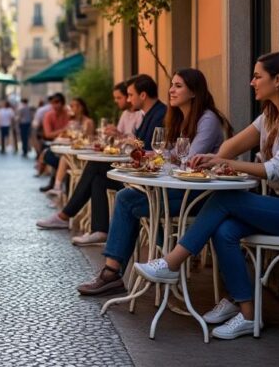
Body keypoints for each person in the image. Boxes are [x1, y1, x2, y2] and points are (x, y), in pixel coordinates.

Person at [134, 53, 279, 340]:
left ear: (278, 79)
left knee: (225, 201)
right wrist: (211, 158)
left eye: (258, 76)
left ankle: (172, 263)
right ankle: (248, 313)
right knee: (224, 230)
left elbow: (275, 170)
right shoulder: (270, 116)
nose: (251, 82)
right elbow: (231, 147)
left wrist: (227, 165)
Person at [77, 68, 230, 294]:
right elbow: (171, 155)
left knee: (126, 199)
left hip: (200, 197)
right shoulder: (179, 117)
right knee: (126, 196)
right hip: (179, 190)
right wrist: (154, 156)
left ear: (194, 92)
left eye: (178, 86)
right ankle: (117, 269)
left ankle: (117, 272)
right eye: (172, 84)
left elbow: (190, 161)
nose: (171, 90)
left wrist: (160, 157)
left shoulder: (207, 119)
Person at [37, 75, 166, 240]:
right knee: (98, 178)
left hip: (146, 179)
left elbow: (149, 150)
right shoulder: (149, 114)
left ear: (143, 95)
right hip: (138, 171)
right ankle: (99, 230)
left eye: (130, 95)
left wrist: (123, 138)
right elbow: (141, 146)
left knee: (95, 166)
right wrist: (124, 139)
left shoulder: (159, 114)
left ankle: (65, 216)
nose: (128, 99)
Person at [42, 98, 96, 199]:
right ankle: (58, 188)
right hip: (74, 152)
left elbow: (89, 140)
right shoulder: (72, 122)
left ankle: (58, 188)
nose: (71, 108)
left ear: (81, 108)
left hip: (84, 154)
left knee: (63, 158)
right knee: (61, 157)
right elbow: (66, 135)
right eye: (70, 106)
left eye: (73, 106)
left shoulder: (88, 122)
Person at [37, 94, 70, 185]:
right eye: (53, 103)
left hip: (68, 145)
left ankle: (54, 182)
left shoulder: (68, 114)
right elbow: (48, 134)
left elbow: (72, 130)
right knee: (51, 157)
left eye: (58, 102)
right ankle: (56, 182)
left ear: (63, 103)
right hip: (52, 144)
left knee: (67, 159)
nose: (56, 105)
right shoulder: (48, 115)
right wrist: (63, 130)